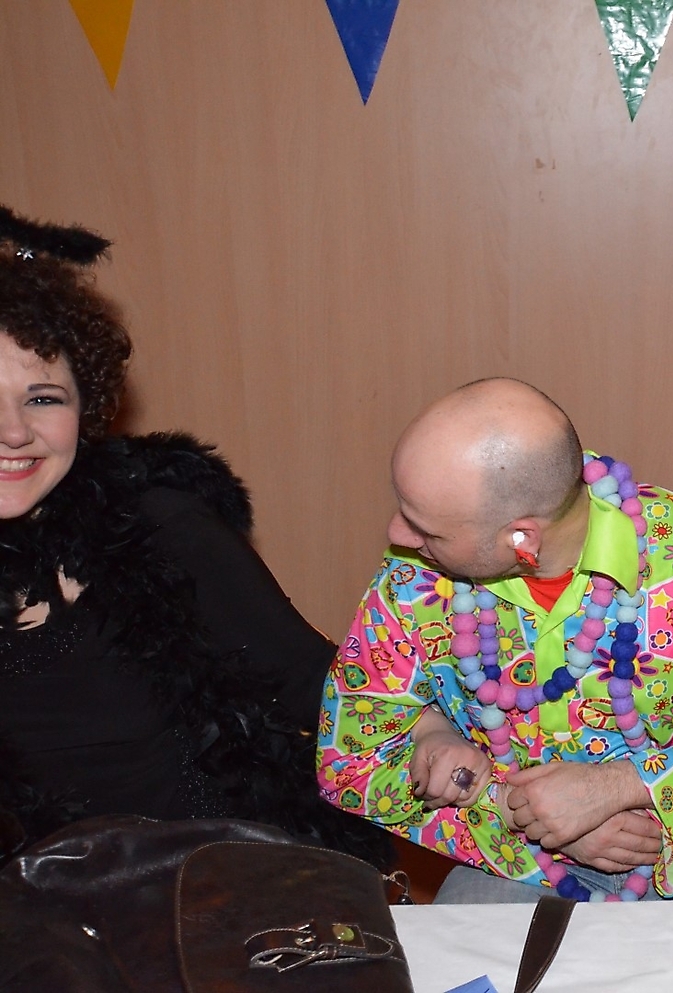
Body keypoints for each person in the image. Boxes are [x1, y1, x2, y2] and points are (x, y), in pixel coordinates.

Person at [317, 378, 673, 902]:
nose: (397, 534)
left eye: (427, 530)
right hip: (514, 857)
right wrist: (504, 804)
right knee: (461, 956)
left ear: (523, 538)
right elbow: (348, 764)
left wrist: (618, 787)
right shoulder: (412, 580)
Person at [0, 206, 381, 864]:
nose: (14, 432)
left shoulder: (161, 527)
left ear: (85, 409)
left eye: (43, 398)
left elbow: (320, 689)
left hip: (211, 895)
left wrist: (458, 752)